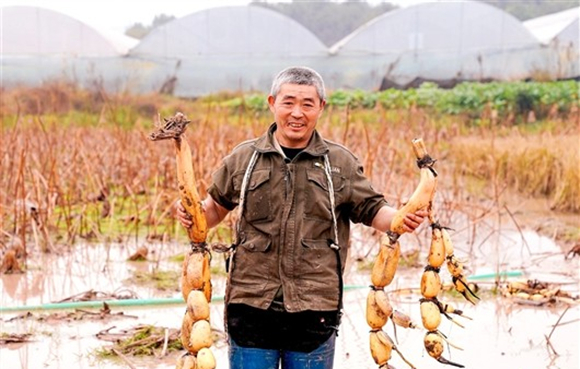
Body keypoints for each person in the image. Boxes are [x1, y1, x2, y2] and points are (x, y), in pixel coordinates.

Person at [176, 66, 428, 369]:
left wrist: (401, 218)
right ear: (272, 103)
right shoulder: (244, 158)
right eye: (288, 102)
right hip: (251, 302)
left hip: (315, 305)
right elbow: (215, 208)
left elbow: (373, 210)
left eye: (307, 104)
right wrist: (193, 213)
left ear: (321, 107)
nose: (297, 113)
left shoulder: (339, 163)